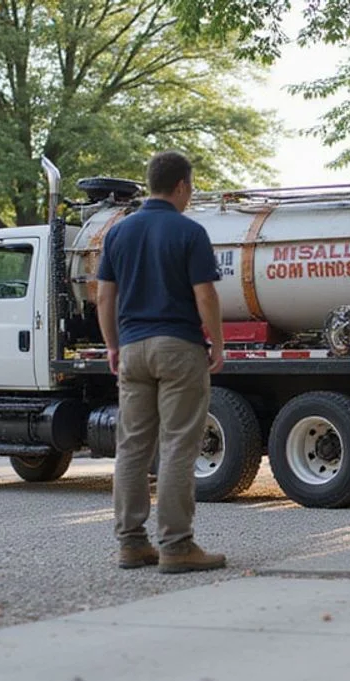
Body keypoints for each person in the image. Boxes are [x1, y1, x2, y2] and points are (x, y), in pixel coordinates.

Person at [94, 151, 228, 573]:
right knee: (177, 446)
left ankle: (132, 544)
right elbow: (205, 294)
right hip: (179, 348)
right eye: (191, 188)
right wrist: (217, 343)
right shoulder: (189, 232)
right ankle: (176, 545)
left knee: (132, 448)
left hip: (133, 350)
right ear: (182, 186)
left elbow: (104, 297)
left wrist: (112, 345)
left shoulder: (118, 232)